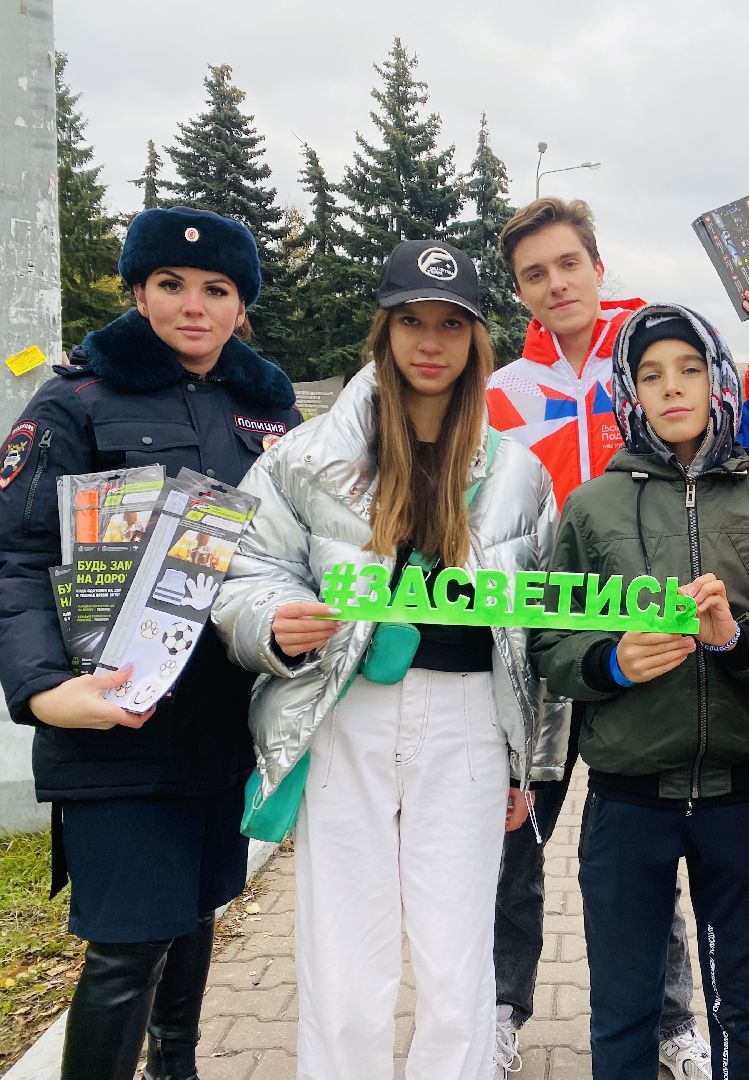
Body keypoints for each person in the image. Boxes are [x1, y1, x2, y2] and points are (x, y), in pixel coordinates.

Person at [211, 239, 560, 1080]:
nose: (429, 342)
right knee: (343, 947)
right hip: (350, 711)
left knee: (456, 952)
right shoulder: (306, 456)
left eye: (451, 324)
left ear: (478, 341)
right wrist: (272, 623)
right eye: (411, 321)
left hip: (469, 719)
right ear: (385, 330)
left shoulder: (519, 473)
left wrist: (529, 765)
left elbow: (540, 634)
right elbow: (246, 570)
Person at [484, 196, 749, 1078]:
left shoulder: (658, 345)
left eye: (568, 264)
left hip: (685, 683)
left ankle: (672, 1023)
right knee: (520, 830)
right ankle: (504, 1005)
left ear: (597, 265)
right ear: (520, 292)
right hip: (560, 635)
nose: (556, 284)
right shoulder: (506, 393)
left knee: (659, 823)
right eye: (534, 274)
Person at [0, 206, 300, 1080]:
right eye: (171, 284)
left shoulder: (269, 412)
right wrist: (45, 690)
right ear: (138, 290)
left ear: (241, 305)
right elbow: (15, 557)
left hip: (219, 721)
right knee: (127, 945)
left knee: (195, 918)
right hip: (111, 717)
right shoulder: (73, 399)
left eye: (217, 289)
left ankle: (180, 1069)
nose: (193, 307)